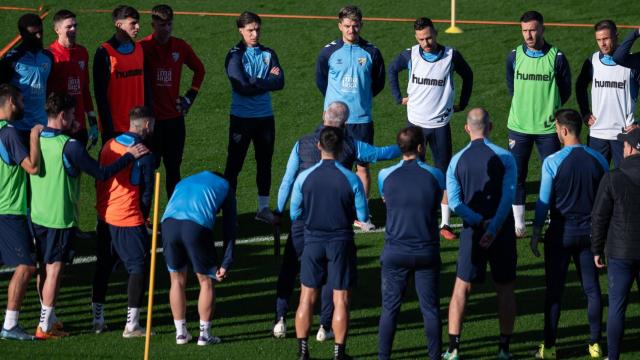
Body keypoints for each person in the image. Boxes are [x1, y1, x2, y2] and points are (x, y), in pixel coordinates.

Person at [271, 101, 400, 341]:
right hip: (335, 223)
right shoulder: (352, 145)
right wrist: (405, 147)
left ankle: (280, 319)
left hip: (304, 222)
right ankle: (325, 326)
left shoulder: (301, 144)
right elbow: (380, 153)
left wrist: (279, 212)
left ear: (323, 116)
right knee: (333, 276)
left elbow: (288, 181)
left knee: (289, 269)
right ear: (346, 122)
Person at [30, 92, 148, 340]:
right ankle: (44, 325)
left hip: (38, 214)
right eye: (72, 115)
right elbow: (102, 173)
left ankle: (49, 317)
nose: (76, 119)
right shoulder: (70, 146)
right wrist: (129, 156)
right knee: (54, 270)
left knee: (44, 266)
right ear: (62, 115)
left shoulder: (37, 136)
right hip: (58, 216)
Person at [530, 109, 607, 359]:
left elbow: (543, 203)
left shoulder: (552, 162)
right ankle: (595, 344)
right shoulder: (599, 160)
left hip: (560, 234)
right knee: (592, 290)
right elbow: (605, 202)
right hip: (590, 235)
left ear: (563, 130)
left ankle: (550, 347)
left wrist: (535, 232)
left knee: (554, 291)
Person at [388, 16, 473, 240]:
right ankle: (422, 218)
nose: (425, 42)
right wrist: (398, 98)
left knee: (444, 173)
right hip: (415, 124)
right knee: (416, 172)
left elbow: (468, 75)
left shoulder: (451, 56)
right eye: (421, 39)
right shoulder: (410, 55)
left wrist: (462, 103)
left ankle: (445, 223)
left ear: (435, 32)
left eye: (428, 37)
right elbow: (392, 70)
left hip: (439, 125)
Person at [442, 108, 517, 360]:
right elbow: (508, 198)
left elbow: (454, 202)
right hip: (501, 233)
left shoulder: (456, 160)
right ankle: (504, 350)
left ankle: (453, 350)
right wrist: (493, 227)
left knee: (461, 288)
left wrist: (478, 222)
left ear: (466, 128)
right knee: (505, 288)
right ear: (491, 126)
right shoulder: (506, 157)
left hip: (472, 233)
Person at [292, 126, 369, 360]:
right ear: (340, 148)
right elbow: (363, 217)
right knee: (340, 298)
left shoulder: (304, 177)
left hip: (312, 240)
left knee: (306, 296)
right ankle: (339, 353)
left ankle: (303, 352)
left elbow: (295, 212)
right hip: (341, 241)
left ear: (319, 146)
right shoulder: (351, 178)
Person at [377, 126, 445, 360]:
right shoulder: (435, 175)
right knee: (430, 309)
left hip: (395, 252)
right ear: (420, 147)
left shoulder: (385, 175)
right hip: (426, 251)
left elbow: (386, 198)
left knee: (389, 310)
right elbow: (436, 201)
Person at [91, 106, 156, 337]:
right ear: (147, 125)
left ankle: (97, 319)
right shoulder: (145, 154)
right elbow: (147, 194)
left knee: (103, 266)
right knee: (138, 267)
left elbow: (100, 176)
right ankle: (132, 324)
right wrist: (144, 217)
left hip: (104, 216)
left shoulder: (109, 144)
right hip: (128, 219)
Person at [506, 10, 571, 237]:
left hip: (547, 129)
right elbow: (511, 86)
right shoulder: (514, 56)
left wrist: (548, 108)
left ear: (542, 28)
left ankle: (553, 220)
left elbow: (565, 90)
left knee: (552, 176)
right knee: (517, 176)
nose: (529, 35)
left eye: (533, 29)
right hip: (519, 128)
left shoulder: (557, 57)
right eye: (525, 30)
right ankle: (519, 225)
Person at [316, 5, 385, 203]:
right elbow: (321, 81)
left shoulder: (372, 52)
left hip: (361, 118)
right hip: (335, 122)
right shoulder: (328, 52)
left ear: (361, 25)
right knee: (334, 165)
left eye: (355, 26)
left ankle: (361, 212)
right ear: (340, 26)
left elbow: (378, 83)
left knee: (363, 166)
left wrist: (362, 98)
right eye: (347, 26)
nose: (351, 30)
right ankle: (338, 205)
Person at [161, 171, 237, 346]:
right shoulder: (226, 187)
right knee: (206, 280)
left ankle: (181, 334)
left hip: (168, 225)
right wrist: (226, 262)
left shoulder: (185, 181)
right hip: (195, 226)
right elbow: (230, 227)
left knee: (176, 280)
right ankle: (205, 335)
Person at [223, 11, 284, 223]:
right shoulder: (235, 55)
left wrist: (255, 81)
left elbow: (280, 82)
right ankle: (229, 209)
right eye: (250, 30)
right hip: (241, 118)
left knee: (264, 162)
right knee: (235, 164)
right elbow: (241, 86)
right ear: (241, 30)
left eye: (257, 29)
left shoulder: (268, 53)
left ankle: (263, 208)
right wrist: (265, 81)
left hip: (265, 118)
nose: (255, 33)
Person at [140, 4, 206, 198]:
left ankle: (172, 216)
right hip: (151, 123)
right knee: (147, 172)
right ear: (153, 25)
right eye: (162, 25)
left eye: (169, 24)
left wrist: (189, 97)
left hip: (175, 121)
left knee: (174, 171)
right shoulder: (142, 48)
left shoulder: (180, 46)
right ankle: (144, 220)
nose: (167, 29)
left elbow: (200, 70)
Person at [591, 127, 640, 360]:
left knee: (617, 307)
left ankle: (613, 356)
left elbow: (599, 217)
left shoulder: (613, 177)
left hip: (620, 253)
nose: (622, 147)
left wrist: (596, 249)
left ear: (631, 149)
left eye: (624, 144)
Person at [0, 84, 42, 341]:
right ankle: (10, 324)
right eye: (21, 101)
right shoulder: (10, 134)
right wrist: (35, 136)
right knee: (26, 265)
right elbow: (32, 168)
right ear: (11, 102)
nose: (24, 105)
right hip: (9, 209)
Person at [576, 20, 639, 168]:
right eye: (599, 40)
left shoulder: (632, 63)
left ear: (616, 36)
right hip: (597, 134)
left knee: (625, 183)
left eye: (606, 39)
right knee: (595, 182)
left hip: (623, 136)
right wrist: (585, 112)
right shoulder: (592, 61)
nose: (602, 44)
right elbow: (580, 86)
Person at [94, 5, 145, 144]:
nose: (138, 27)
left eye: (138, 22)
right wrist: (108, 129)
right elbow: (100, 96)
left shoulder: (140, 49)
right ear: (119, 25)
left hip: (140, 126)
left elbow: (146, 88)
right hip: (116, 129)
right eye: (133, 23)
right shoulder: (104, 52)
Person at [47, 9, 98, 147]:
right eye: (68, 27)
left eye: (75, 26)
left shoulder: (82, 52)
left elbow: (85, 89)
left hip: (80, 125)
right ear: (57, 29)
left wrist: (92, 121)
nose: (73, 29)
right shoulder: (49, 56)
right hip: (59, 128)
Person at [0, 13, 53, 138]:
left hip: (42, 127)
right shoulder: (11, 60)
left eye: (41, 31)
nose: (39, 36)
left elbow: (48, 88)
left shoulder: (48, 57)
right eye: (33, 34)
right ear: (23, 35)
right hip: (19, 129)